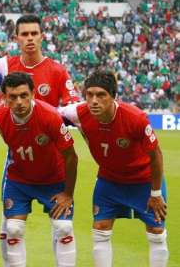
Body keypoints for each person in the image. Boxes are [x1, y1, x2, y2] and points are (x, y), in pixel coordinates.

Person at [0, 14, 79, 267]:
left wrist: (49, 119)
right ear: (16, 37)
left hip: (50, 154)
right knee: (12, 228)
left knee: (63, 227)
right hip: (18, 159)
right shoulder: (5, 66)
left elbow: (74, 108)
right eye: (25, 34)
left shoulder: (56, 70)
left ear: (42, 36)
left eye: (34, 33)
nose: (30, 39)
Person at [59, 70, 168, 267]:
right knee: (100, 228)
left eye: (101, 95)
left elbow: (156, 156)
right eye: (89, 94)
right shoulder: (78, 113)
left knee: (156, 233)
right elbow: (50, 116)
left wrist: (156, 192)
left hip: (144, 181)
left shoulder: (136, 118)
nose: (93, 100)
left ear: (113, 97)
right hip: (109, 181)